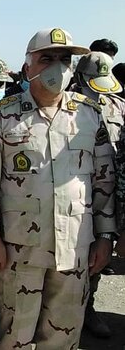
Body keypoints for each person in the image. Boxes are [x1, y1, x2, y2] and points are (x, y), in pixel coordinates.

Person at [0, 28, 115, 349]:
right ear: (27, 68)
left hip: (75, 248)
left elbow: (104, 180)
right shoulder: (1, 115)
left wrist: (105, 237)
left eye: (65, 60)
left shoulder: (89, 115)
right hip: (19, 250)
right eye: (46, 58)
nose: (58, 67)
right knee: (14, 336)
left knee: (64, 336)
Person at [73, 51, 124, 338]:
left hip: (110, 196)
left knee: (98, 257)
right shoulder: (67, 106)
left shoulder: (119, 106)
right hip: (77, 194)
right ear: (80, 78)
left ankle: (87, 308)